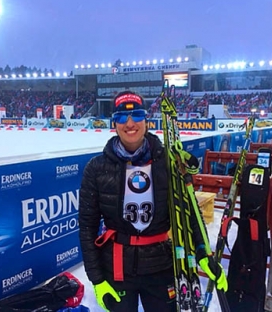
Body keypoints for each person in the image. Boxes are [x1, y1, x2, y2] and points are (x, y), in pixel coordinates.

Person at [79, 91, 227, 312]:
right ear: (114, 123)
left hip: (161, 267)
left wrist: (203, 253)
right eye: (121, 117)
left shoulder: (168, 161)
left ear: (146, 121)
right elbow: (87, 227)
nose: (130, 123)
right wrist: (97, 279)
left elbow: (189, 212)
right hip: (117, 268)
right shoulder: (96, 168)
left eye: (137, 116)